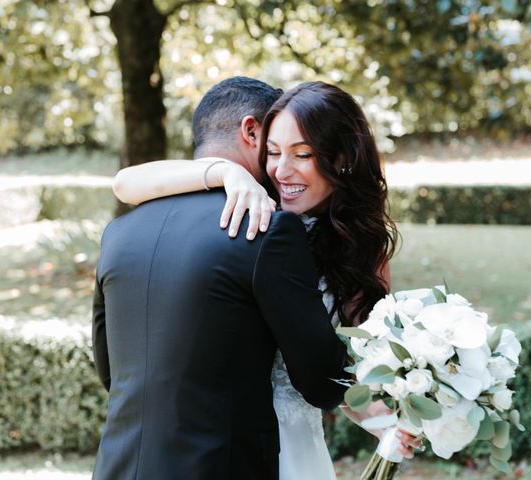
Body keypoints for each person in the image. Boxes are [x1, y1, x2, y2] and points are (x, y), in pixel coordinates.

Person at [113, 80, 419, 479]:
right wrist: (224, 172)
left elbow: (343, 373)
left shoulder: (360, 251)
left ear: (340, 158)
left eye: (303, 154)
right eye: (272, 153)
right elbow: (125, 183)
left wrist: (393, 421)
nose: (281, 170)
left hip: (293, 443)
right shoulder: (252, 217)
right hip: (227, 445)